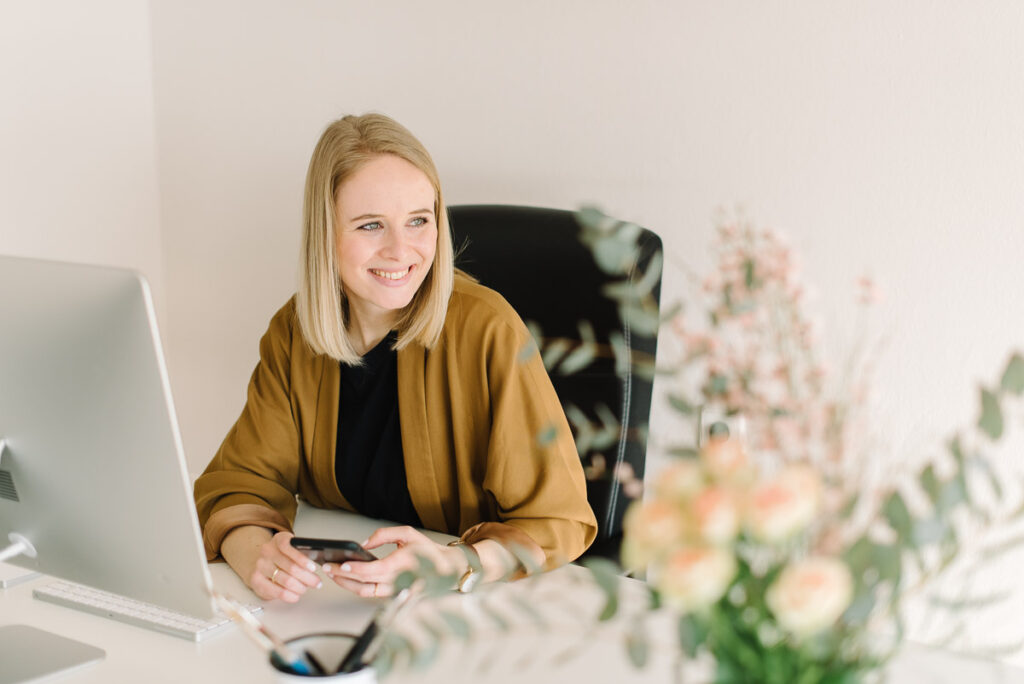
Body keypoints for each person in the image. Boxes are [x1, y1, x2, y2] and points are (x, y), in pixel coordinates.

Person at [193, 113, 597, 603]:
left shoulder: (487, 328)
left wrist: (453, 564)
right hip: (338, 603)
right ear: (326, 233)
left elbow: (559, 520)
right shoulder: (295, 332)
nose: (402, 250)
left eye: (418, 221)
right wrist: (254, 550)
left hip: (474, 609)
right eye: (370, 225)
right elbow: (238, 481)